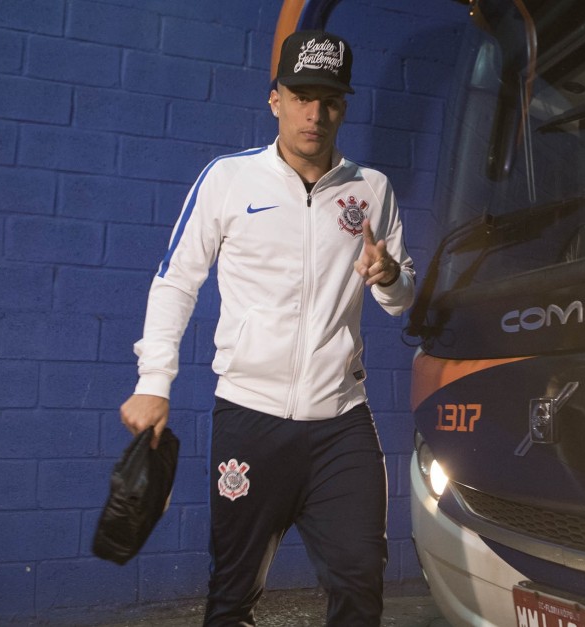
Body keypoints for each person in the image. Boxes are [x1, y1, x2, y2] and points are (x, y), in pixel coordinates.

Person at [119, 30, 416, 626]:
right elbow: (176, 280)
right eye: (301, 95)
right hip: (250, 419)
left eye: (329, 100)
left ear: (344, 107)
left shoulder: (371, 189)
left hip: (341, 421)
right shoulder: (229, 181)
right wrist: (155, 381)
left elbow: (401, 299)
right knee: (232, 594)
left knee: (361, 579)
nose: (315, 113)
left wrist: (386, 275)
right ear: (273, 99)